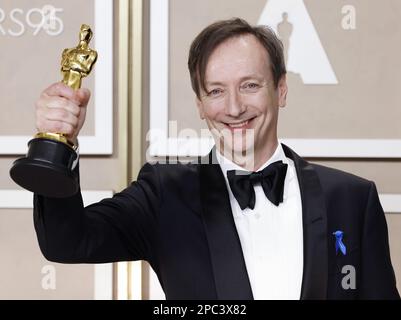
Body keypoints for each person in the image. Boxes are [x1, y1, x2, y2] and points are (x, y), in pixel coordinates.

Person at [33, 18, 399, 300]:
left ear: (281, 89)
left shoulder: (352, 198)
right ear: (200, 105)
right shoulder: (165, 195)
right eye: (216, 91)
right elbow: (67, 241)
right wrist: (58, 143)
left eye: (250, 85)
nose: (235, 107)